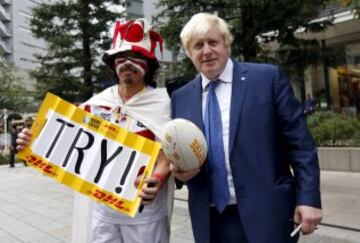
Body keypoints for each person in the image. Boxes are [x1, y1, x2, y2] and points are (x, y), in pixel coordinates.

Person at [17, 18, 173, 243]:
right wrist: (30, 142)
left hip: (144, 215)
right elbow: (61, 144)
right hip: (103, 213)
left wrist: (158, 177)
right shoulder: (95, 104)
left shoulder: (164, 104)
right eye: (122, 56)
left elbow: (170, 153)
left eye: (137, 57)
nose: (129, 62)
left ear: (149, 64)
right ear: (112, 63)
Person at [170, 13, 322, 243]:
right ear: (189, 53)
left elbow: (300, 146)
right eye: (198, 45)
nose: (207, 51)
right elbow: (179, 151)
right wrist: (179, 174)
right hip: (210, 221)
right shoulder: (180, 98)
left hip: (267, 214)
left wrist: (308, 198)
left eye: (213, 42)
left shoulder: (267, 79)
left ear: (226, 43)